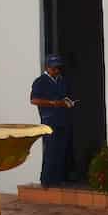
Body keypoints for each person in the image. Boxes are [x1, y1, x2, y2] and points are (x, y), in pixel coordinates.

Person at [30, 54, 75, 186]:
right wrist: (52, 103)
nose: (56, 70)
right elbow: (33, 100)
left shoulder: (62, 80)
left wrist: (68, 102)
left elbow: (66, 96)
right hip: (49, 120)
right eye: (54, 68)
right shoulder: (40, 81)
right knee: (50, 149)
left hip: (63, 118)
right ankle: (46, 180)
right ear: (47, 67)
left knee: (62, 149)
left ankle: (58, 179)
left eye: (58, 68)